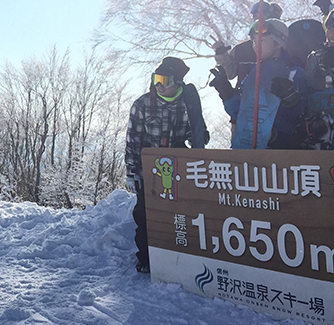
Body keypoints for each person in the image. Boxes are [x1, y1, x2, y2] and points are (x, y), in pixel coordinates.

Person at [125, 57, 207, 274]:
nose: (159, 84)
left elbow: (193, 129)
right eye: (156, 79)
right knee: (146, 214)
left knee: (180, 213)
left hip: (177, 167)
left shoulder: (187, 103)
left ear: (177, 82)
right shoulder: (142, 104)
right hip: (148, 169)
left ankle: (178, 254)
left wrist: (199, 136)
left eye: (165, 80)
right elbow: (133, 141)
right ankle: (146, 258)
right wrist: (132, 172)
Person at [216, 19, 308, 149]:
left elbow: (305, 114)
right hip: (249, 151)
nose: (255, 46)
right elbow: (242, 115)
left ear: (278, 44)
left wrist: (292, 99)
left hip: (283, 153)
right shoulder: (253, 74)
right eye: (254, 41)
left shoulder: (293, 72)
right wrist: (227, 94)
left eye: (261, 41)